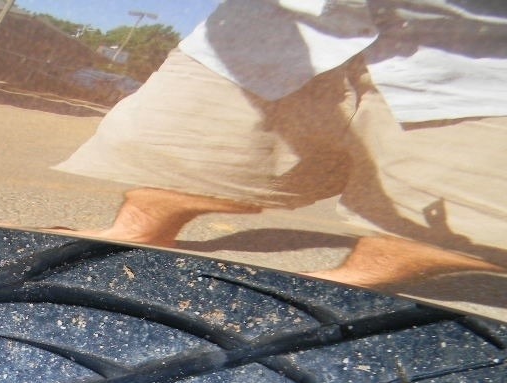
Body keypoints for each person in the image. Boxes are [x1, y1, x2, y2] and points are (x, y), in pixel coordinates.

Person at [56, 0, 507, 290]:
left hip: (477, 54)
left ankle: (353, 287)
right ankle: (135, 230)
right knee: (169, 158)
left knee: (442, 219)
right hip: (271, 27)